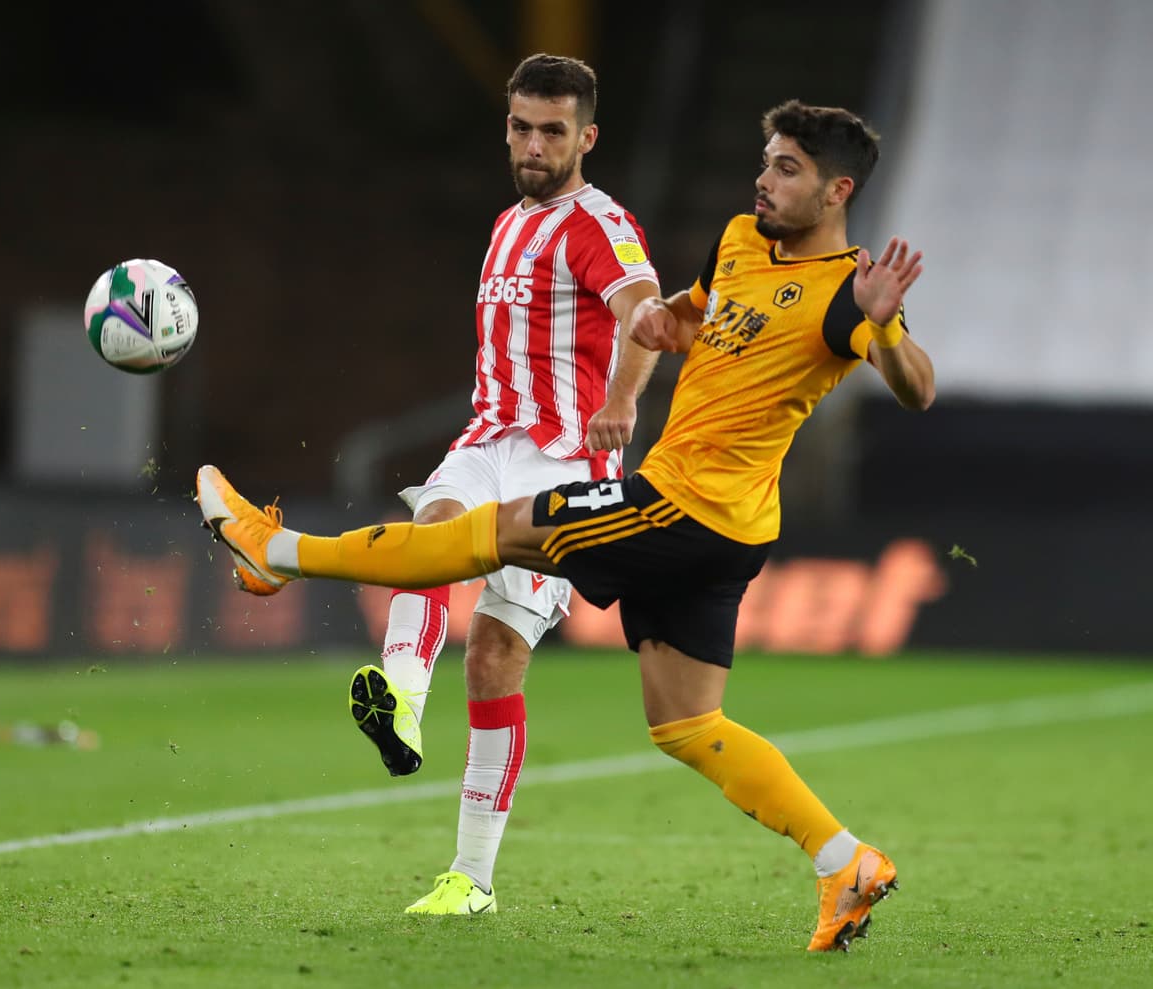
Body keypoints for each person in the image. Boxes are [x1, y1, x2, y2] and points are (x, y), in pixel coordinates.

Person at [197, 99, 935, 951]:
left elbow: (916, 387)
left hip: (682, 508)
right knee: (687, 725)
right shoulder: (739, 240)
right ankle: (843, 860)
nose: (765, 180)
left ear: (839, 189)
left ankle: (276, 553)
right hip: (723, 528)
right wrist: (659, 326)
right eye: (767, 162)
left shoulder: (850, 291)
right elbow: (692, 315)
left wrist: (883, 324)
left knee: (489, 533)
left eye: (789, 170)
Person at [214, 54, 661, 916]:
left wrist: (622, 400)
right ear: (506, 127)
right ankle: (403, 706)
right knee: (427, 532)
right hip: (487, 439)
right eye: (522, 127)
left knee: (495, 658)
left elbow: (644, 304)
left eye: (553, 131)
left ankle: (473, 879)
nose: (534, 145)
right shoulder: (506, 224)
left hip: (565, 464)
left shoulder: (597, 223)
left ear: (587, 137)